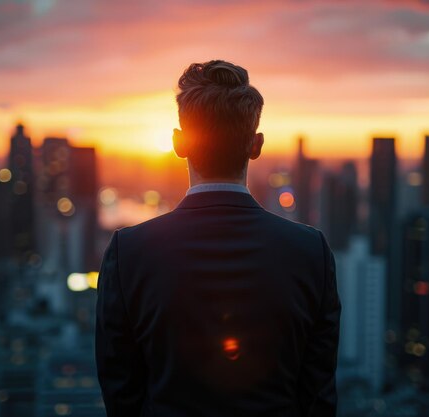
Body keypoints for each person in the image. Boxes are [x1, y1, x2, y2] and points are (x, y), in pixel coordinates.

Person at [95, 60, 341, 417]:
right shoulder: (310, 253)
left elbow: (120, 394)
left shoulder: (129, 253)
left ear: (179, 143)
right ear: (255, 145)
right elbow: (318, 398)